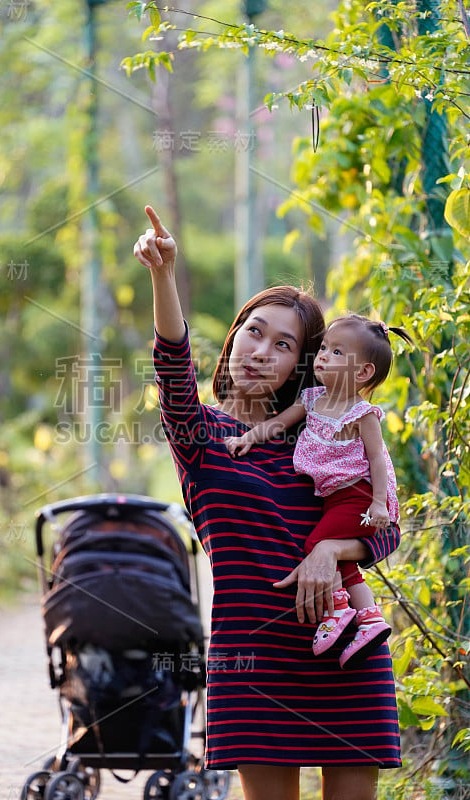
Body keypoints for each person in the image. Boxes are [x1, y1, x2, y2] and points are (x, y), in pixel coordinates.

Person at [134, 205, 401, 800]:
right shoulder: (200, 437)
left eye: (283, 345)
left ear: (302, 368)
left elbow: (386, 530)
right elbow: (173, 367)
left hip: (344, 652)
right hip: (253, 659)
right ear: (234, 336)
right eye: (254, 331)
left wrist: (333, 548)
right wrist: (163, 275)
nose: (260, 351)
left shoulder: (332, 434)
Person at [225, 314, 412, 670]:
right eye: (323, 348)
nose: (323, 356)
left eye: (337, 352)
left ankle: (339, 610)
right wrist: (247, 438)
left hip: (359, 495)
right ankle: (369, 618)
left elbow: (377, 458)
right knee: (339, 557)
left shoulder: (362, 414)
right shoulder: (313, 399)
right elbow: (279, 423)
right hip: (337, 496)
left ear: (363, 374)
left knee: (318, 546)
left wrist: (377, 503)